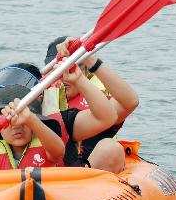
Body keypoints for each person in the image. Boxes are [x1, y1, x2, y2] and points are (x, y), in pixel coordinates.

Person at [43, 36, 139, 173]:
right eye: (57, 70)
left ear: (85, 72)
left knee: (109, 147)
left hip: (89, 174)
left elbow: (130, 102)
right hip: (49, 175)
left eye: (70, 68)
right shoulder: (37, 102)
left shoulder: (100, 106)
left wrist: (88, 57)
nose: (63, 77)